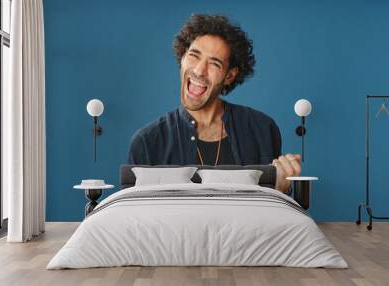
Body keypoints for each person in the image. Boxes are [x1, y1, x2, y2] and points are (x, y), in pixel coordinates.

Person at [128, 14, 301, 194]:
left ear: (229, 76)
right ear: (182, 57)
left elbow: (271, 216)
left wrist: (280, 187)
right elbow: (132, 216)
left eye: (214, 64)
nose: (199, 71)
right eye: (194, 55)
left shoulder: (262, 129)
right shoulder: (147, 141)